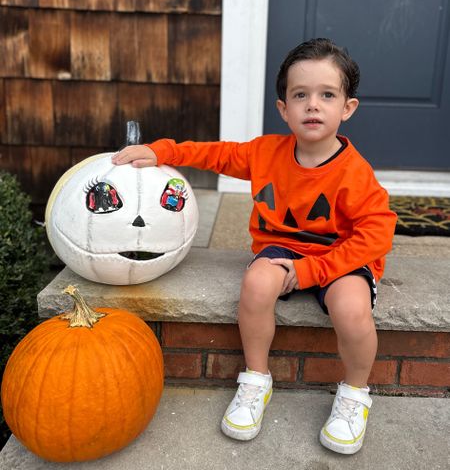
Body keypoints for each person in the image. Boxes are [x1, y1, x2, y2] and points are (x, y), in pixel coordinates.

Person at [112, 38, 397, 455]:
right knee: (257, 285)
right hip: (282, 248)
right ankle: (256, 380)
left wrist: (311, 272)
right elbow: (216, 155)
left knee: (352, 309)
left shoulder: (355, 173)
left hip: (342, 255)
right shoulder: (267, 153)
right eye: (300, 95)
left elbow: (376, 235)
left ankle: (355, 394)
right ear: (284, 108)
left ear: (347, 108)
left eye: (327, 95)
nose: (312, 105)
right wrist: (162, 151)